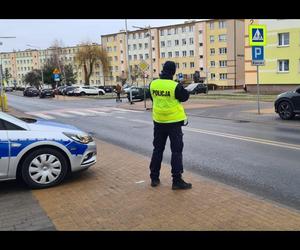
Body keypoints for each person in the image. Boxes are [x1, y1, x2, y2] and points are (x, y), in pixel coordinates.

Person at [149, 61, 192, 190]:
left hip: (158, 122)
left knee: (157, 150)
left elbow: (153, 99)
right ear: (173, 72)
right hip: (174, 123)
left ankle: (154, 178)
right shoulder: (175, 86)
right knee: (176, 151)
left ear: (163, 70)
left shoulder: (153, 84)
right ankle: (177, 180)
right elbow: (184, 97)